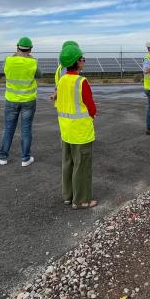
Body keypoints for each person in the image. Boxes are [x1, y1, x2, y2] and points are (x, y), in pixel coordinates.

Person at [56, 43, 98, 208]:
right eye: (83, 59)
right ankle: (81, 200)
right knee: (82, 166)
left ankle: (68, 196)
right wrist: (93, 114)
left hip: (65, 130)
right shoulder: (82, 81)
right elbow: (90, 105)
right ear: (77, 62)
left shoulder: (62, 80)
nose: (84, 61)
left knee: (68, 164)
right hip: (80, 132)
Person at [0, 37, 40, 167]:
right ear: (30, 49)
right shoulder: (33, 62)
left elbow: (4, 71)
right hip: (29, 101)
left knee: (8, 129)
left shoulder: (8, 61)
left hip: (11, 100)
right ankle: (25, 159)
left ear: (17, 47)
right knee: (26, 130)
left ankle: (2, 157)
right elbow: (40, 75)